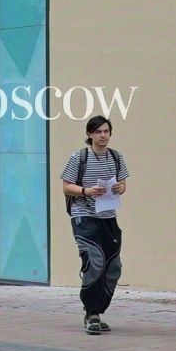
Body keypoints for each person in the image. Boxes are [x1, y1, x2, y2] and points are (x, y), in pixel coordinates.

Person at [60, 115, 129, 334]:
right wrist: (86, 191)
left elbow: (123, 183)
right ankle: (91, 313)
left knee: (113, 266)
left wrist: (120, 187)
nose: (103, 135)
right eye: (98, 132)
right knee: (95, 260)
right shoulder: (79, 157)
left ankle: (98, 309)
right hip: (84, 216)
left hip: (108, 217)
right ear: (89, 134)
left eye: (106, 131)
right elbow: (66, 186)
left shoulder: (116, 157)